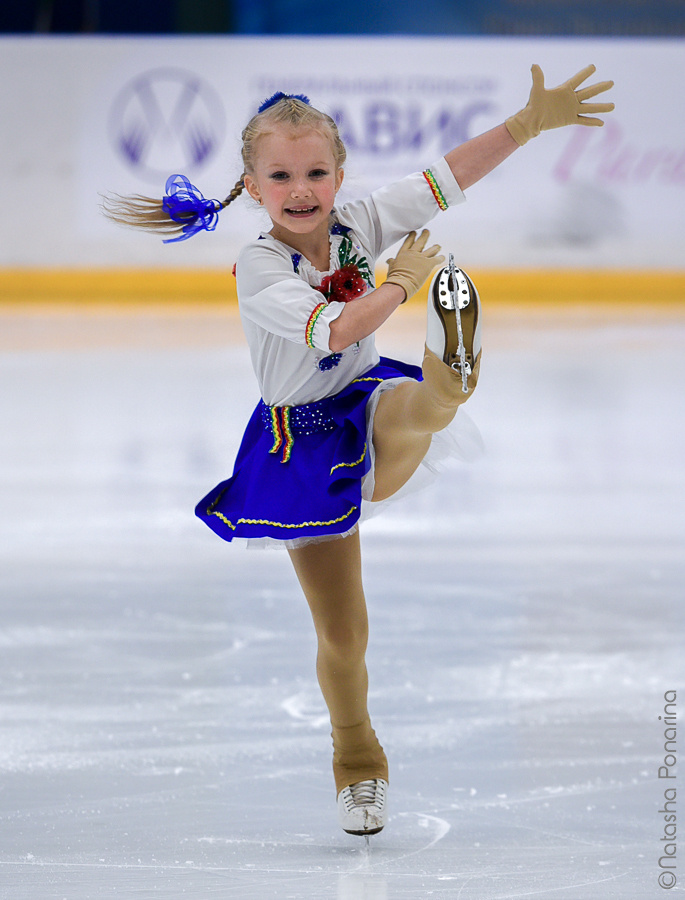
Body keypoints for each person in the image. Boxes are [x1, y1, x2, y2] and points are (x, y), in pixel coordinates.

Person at [103, 64, 614, 837]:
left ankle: (449, 376)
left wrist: (524, 125)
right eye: (281, 175)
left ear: (338, 175)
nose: (301, 187)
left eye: (315, 171)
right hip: (300, 443)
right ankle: (356, 759)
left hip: (368, 402)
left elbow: (442, 181)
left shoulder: (358, 224)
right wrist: (405, 284)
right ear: (252, 183)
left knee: (418, 411)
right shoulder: (262, 268)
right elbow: (336, 329)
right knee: (344, 637)